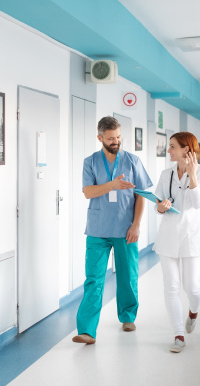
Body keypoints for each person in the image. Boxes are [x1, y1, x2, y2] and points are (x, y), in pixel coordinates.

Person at [72, 116, 153, 345]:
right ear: (100, 138)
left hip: (125, 227)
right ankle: (87, 330)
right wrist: (112, 185)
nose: (116, 141)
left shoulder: (133, 161)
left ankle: (127, 316)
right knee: (94, 279)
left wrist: (136, 225)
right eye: (111, 138)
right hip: (98, 229)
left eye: (118, 137)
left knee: (128, 276)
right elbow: (88, 192)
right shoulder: (90, 162)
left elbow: (142, 196)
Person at [152, 132, 200, 353]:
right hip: (167, 236)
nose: (168, 150)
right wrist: (161, 206)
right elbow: (157, 204)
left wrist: (192, 174)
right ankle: (178, 335)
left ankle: (193, 312)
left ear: (187, 150)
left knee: (192, 287)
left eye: (172, 147)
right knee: (171, 288)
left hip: (191, 236)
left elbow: (198, 204)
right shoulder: (166, 173)